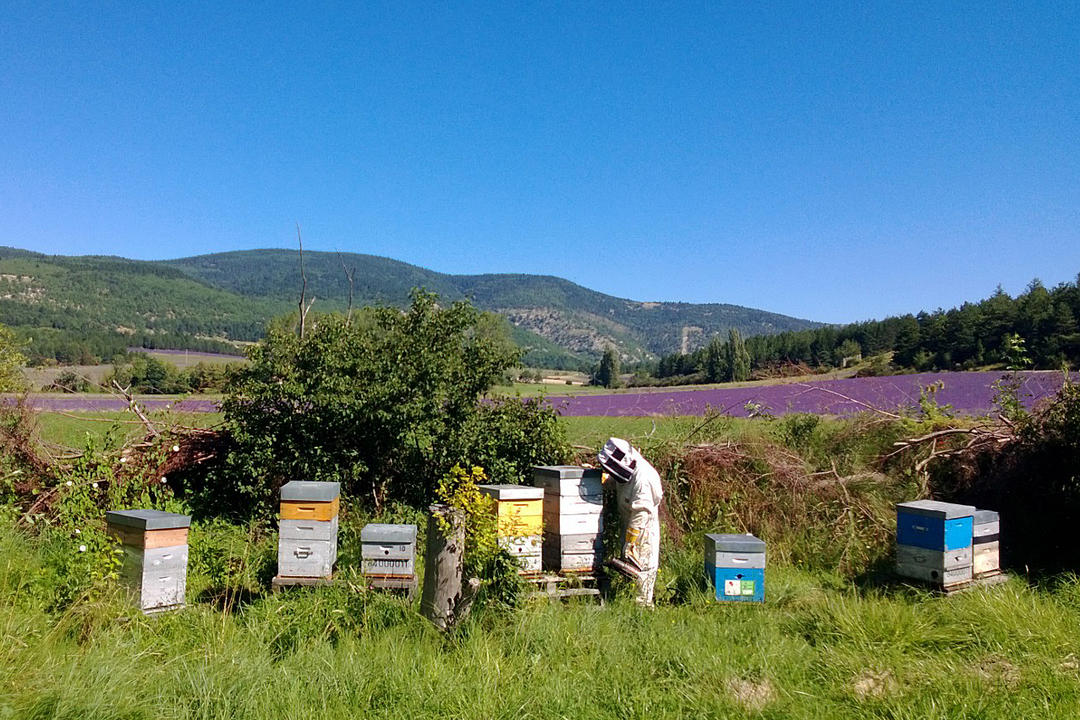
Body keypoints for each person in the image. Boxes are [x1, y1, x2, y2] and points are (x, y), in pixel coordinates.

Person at [598, 437, 663, 605]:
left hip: (643, 529)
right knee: (629, 568)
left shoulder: (643, 479)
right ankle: (629, 601)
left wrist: (631, 541)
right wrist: (602, 480)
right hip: (629, 524)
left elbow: (641, 513)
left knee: (644, 566)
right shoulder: (629, 469)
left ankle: (643, 608)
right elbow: (619, 480)